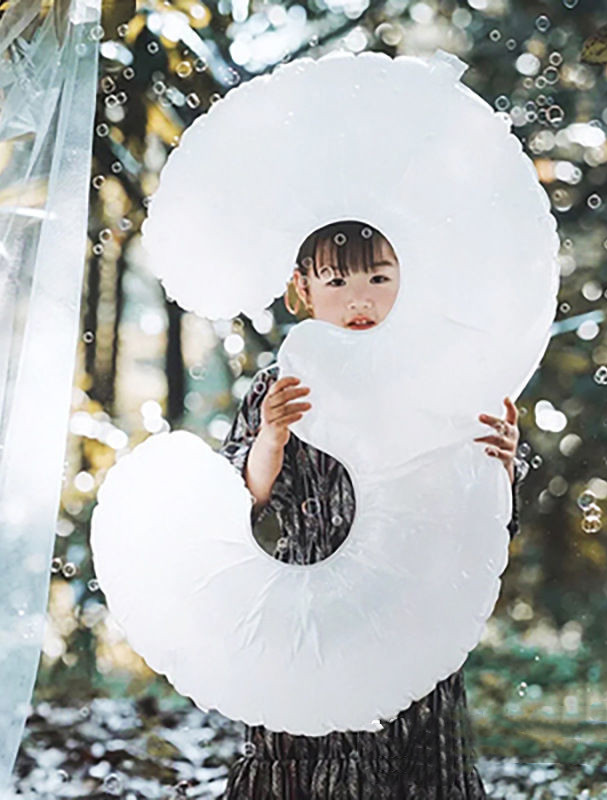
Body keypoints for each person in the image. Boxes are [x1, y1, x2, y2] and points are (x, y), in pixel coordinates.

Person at [219, 220, 524, 799]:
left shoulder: (437, 378)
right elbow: (247, 496)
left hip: (412, 594)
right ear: (302, 288)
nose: (360, 298)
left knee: (411, 743)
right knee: (303, 740)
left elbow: (485, 511)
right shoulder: (279, 384)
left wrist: (501, 463)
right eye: (336, 280)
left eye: (380, 277)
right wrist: (272, 437)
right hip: (311, 596)